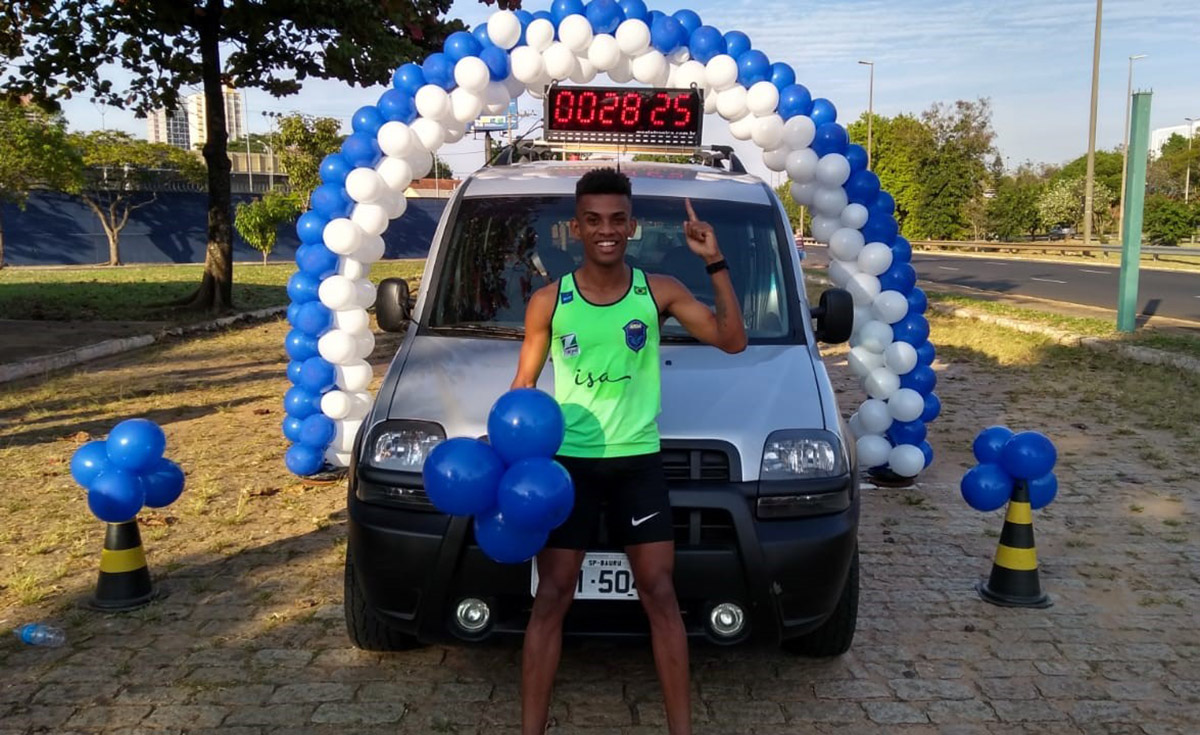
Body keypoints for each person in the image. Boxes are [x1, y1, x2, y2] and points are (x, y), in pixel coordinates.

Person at [510, 167, 747, 735]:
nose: (606, 230)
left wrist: (714, 261)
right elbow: (522, 387)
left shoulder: (658, 291)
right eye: (593, 220)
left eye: (617, 219)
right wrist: (501, 442)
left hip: (638, 464)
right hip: (568, 470)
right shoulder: (550, 301)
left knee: (661, 595)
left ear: (632, 226)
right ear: (577, 227)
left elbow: (731, 339)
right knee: (551, 599)